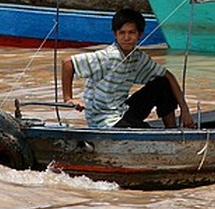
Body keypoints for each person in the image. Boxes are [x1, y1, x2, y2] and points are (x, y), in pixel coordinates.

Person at [61, 8, 196, 129]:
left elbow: (168, 75)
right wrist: (69, 98)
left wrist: (185, 110)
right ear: (115, 34)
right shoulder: (108, 56)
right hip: (103, 120)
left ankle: (171, 130)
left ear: (139, 34)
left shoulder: (138, 57)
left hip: (122, 110)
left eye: (131, 32)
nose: (126, 38)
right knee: (145, 130)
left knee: (162, 83)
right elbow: (68, 63)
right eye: (122, 33)